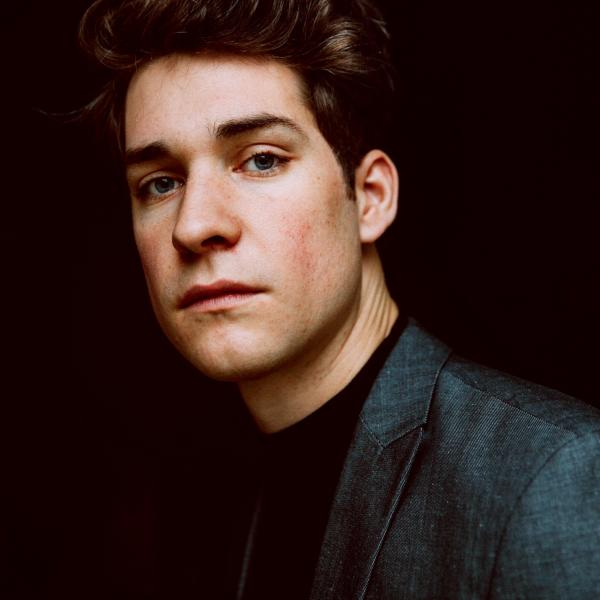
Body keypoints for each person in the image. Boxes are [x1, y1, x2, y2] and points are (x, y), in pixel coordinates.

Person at [77, 0, 600, 598]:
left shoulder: (549, 475)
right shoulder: (208, 500)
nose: (193, 226)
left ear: (371, 197)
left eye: (261, 160)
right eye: (160, 183)